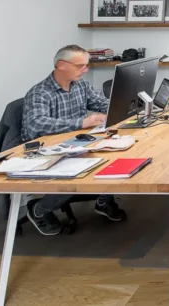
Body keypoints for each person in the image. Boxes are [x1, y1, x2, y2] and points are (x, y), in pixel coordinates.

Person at [22, 44, 126, 235]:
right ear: (61, 65)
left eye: (86, 65)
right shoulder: (40, 93)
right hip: (48, 150)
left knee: (118, 155)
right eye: (80, 66)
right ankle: (38, 209)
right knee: (73, 175)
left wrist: (120, 106)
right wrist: (82, 122)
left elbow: (101, 103)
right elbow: (35, 125)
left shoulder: (80, 85)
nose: (85, 70)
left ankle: (103, 201)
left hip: (77, 143)